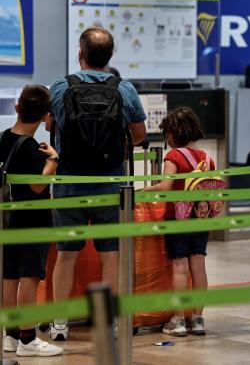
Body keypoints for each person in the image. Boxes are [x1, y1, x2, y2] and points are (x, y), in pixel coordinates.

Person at [47, 27, 146, 341]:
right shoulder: (124, 88)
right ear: (111, 55)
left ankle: (59, 323)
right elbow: (140, 134)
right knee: (111, 255)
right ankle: (109, 321)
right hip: (110, 182)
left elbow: (51, 126)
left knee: (66, 254)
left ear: (80, 53)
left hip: (69, 183)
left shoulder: (62, 86)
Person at [1, 86, 63, 357]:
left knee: (9, 276)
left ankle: (11, 336)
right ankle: (28, 339)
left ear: (17, 107)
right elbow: (38, 186)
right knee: (29, 278)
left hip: (9, 219)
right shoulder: (30, 147)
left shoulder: (4, 138)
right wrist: (54, 159)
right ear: (45, 117)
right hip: (33, 219)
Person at [144, 107, 212, 337]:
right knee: (199, 269)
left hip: (178, 220)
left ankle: (178, 320)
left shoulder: (174, 156)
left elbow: (165, 186)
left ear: (174, 132)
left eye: (167, 135)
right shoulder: (207, 157)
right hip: (201, 219)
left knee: (180, 269)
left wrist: (142, 190)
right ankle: (198, 319)